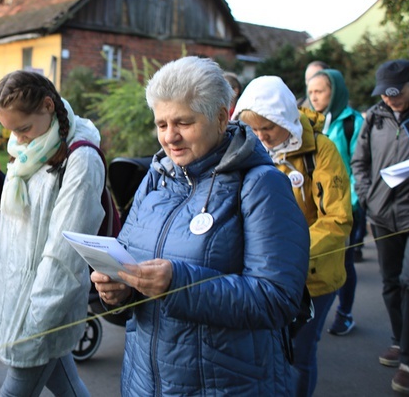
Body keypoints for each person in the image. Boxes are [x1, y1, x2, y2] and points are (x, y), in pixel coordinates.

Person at [92, 57, 310, 395]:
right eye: (161, 124)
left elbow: (277, 299)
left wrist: (178, 282)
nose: (169, 137)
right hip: (145, 383)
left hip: (225, 385)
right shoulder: (157, 177)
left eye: (183, 122)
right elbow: (133, 264)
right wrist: (120, 291)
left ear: (221, 117)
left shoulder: (260, 184)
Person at [0, 70, 105, 397]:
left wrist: (39, 320)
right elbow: (8, 234)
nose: (18, 140)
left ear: (49, 105)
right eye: (11, 131)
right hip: (17, 297)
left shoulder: (81, 159)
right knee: (69, 387)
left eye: (23, 129)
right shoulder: (29, 155)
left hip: (42, 307)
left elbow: (65, 250)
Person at [232, 75, 352, 397]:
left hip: (313, 276)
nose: (260, 137)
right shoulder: (250, 148)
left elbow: (337, 218)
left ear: (284, 117)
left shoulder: (321, 152)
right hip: (266, 274)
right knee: (267, 350)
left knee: (299, 352)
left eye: (267, 128)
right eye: (253, 130)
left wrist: (292, 253)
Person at [351, 59, 409, 395]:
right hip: (382, 214)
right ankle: (401, 340)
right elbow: (359, 162)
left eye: (396, 93)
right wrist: (366, 196)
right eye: (384, 94)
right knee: (391, 283)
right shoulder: (374, 115)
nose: (390, 99)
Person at [306, 69, 366, 335]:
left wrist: (350, 202)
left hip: (345, 205)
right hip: (314, 205)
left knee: (344, 261)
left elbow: (358, 165)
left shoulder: (353, 122)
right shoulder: (307, 120)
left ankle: (345, 312)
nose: (314, 97)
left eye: (319, 91)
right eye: (311, 92)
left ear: (335, 91)